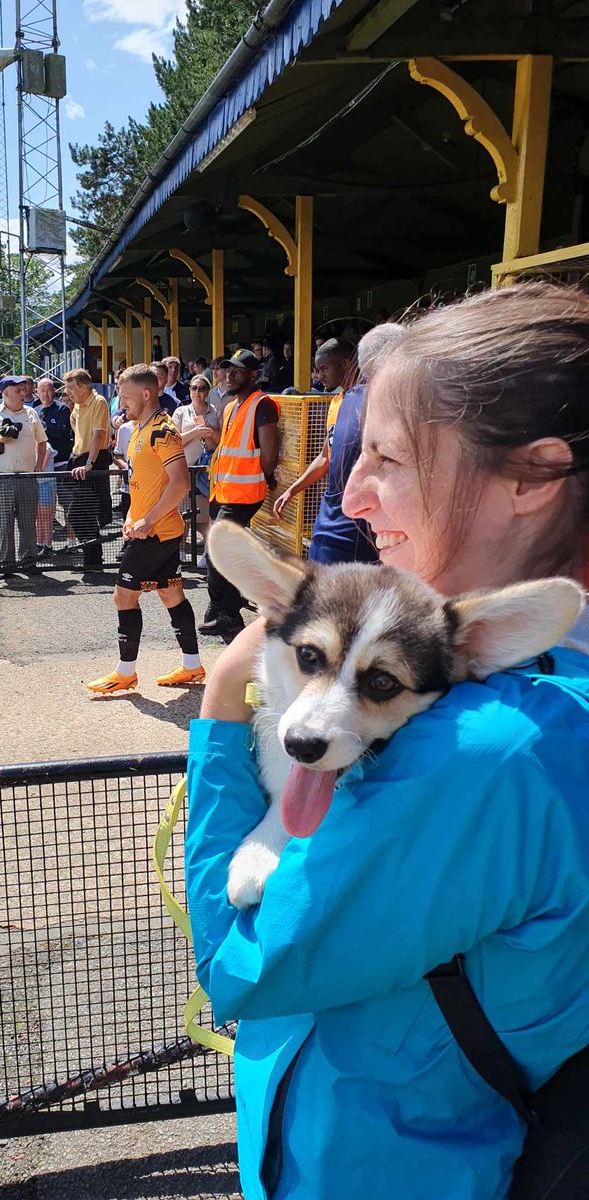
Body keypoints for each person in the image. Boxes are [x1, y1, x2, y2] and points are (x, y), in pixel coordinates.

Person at [185, 282, 589, 1200]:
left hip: (378, 1167)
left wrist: (218, 706)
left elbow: (242, 968)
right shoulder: (546, 690)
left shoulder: (486, 755)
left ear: (530, 479)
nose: (353, 493)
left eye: (388, 458)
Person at [86, 364, 204, 694]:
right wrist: (131, 517)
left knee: (124, 596)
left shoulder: (162, 430)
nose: (121, 403)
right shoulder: (139, 427)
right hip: (153, 529)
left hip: (156, 532)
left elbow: (180, 484)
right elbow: (147, 483)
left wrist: (148, 520)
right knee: (170, 593)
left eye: (126, 397)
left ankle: (126, 672)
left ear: (147, 394)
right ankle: (192, 666)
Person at [273, 324, 404, 563]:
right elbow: (326, 456)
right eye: (316, 370)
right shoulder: (342, 401)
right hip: (337, 516)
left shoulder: (375, 399)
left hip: (355, 522)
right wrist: (293, 489)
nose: (318, 375)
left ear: (345, 364)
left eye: (323, 368)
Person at [201, 349, 279, 639]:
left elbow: (269, 456)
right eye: (227, 370)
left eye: (237, 371)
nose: (229, 375)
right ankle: (224, 607)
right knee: (222, 550)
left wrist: (264, 476)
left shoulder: (263, 405)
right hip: (223, 489)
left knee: (216, 550)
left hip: (245, 491)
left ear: (253, 375)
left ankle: (227, 613)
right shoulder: (230, 406)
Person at [0, 376, 49, 577]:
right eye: (17, 390)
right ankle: (5, 564)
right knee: (2, 523)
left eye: (23, 390)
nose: (23, 393)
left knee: (27, 521)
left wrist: (39, 465)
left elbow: (42, 442)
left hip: (27, 477)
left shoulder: (31, 413)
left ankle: (28, 561)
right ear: (5, 393)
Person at [62, 368, 113, 570]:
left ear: (84, 386)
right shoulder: (78, 405)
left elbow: (98, 435)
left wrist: (89, 463)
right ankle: (92, 560)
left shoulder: (98, 401)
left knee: (79, 512)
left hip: (92, 461)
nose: (68, 393)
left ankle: (93, 557)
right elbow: (73, 419)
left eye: (72, 388)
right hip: (78, 460)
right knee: (80, 513)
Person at [173, 374, 221, 565]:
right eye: (194, 388)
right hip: (185, 469)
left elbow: (221, 442)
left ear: (207, 391)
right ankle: (181, 549)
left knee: (205, 514)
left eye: (201, 388)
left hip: (207, 470)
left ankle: (209, 552)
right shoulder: (181, 412)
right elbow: (174, 440)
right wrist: (195, 432)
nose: (197, 392)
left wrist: (209, 429)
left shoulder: (215, 412)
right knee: (182, 513)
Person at [32, 376, 73, 557]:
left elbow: (64, 433)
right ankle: (42, 544)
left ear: (54, 391)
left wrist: (44, 428)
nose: (45, 394)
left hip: (61, 464)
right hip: (41, 467)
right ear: (37, 392)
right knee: (42, 509)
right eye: (42, 390)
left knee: (66, 504)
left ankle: (71, 542)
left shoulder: (63, 409)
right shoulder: (35, 410)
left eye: (49, 390)